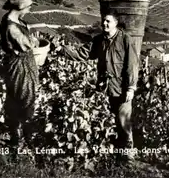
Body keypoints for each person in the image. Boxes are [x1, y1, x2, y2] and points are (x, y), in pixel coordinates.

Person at [55, 11, 137, 151]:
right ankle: (112, 150)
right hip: (105, 86)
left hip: (122, 87)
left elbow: (132, 64)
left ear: (116, 23)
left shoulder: (125, 40)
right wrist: (62, 50)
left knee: (124, 121)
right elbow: (82, 54)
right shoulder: (99, 40)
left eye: (108, 21)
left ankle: (128, 155)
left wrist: (131, 87)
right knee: (108, 118)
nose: (104, 23)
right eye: (103, 21)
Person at [0, 0, 40, 147]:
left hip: (24, 64)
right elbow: (27, 44)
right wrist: (34, 41)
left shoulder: (16, 20)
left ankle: (19, 134)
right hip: (19, 67)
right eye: (29, 7)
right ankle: (20, 137)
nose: (30, 10)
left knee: (21, 97)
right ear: (21, 7)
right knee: (24, 98)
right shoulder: (11, 27)